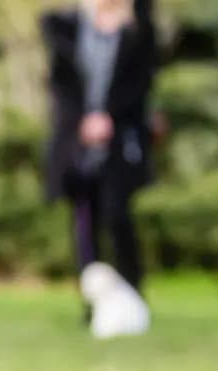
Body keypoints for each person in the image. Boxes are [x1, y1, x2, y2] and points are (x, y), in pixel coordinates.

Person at [41, 0, 158, 299]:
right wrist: (83, 120)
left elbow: (141, 85)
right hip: (77, 140)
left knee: (117, 215)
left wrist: (109, 117)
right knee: (83, 221)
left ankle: (132, 293)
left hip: (120, 140)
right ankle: (92, 299)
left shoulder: (138, 31)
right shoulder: (67, 29)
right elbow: (61, 84)